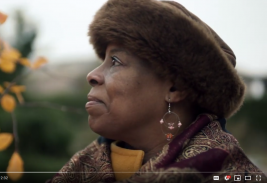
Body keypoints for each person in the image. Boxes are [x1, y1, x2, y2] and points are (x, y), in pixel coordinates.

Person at [47, 0, 266, 182]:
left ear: (175, 87)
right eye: (102, 59)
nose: (92, 75)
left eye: (115, 61)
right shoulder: (81, 169)